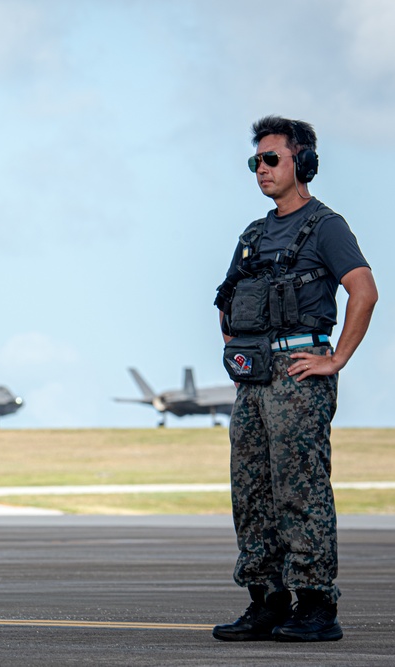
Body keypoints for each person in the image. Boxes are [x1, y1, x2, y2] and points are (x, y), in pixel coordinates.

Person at [212, 116, 378, 643]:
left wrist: (335, 359)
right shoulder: (254, 234)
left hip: (299, 372)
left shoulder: (326, 226)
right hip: (253, 379)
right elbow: (226, 299)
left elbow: (364, 291)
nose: (260, 170)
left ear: (301, 162)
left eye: (271, 159)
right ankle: (266, 600)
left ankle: (315, 604)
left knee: (299, 489)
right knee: (251, 489)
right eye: (255, 161)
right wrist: (237, 349)